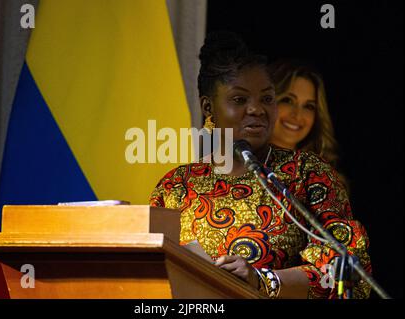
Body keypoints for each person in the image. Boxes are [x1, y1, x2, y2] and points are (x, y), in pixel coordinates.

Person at [149, 31, 371, 299]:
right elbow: (151, 273)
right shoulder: (175, 186)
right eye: (240, 99)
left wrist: (263, 280)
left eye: (267, 98)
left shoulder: (309, 174)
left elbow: (347, 274)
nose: (257, 109)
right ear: (208, 108)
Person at [269, 59, 347, 185]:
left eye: (308, 106)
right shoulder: (230, 161)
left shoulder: (322, 178)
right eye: (287, 100)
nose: (297, 115)